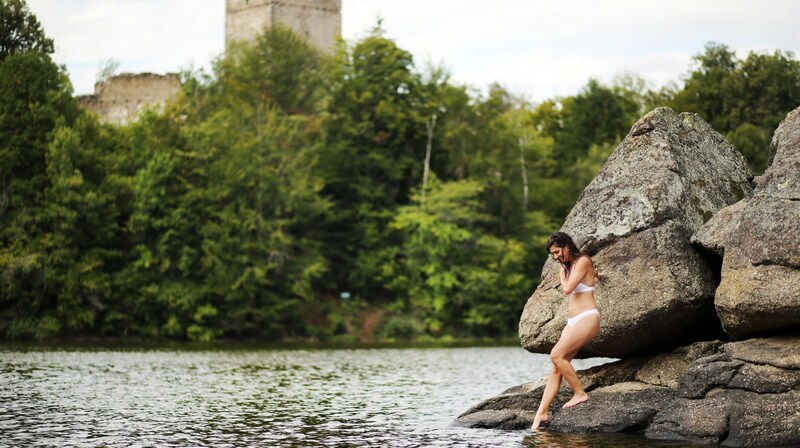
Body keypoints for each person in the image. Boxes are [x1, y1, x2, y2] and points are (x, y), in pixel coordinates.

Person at [531, 231, 601, 432]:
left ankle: (580, 393)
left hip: (587, 318)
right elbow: (592, 276)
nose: (555, 257)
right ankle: (541, 413)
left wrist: (562, 276)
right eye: (552, 254)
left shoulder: (582, 261)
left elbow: (568, 289)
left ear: (567, 246)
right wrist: (599, 275)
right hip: (573, 321)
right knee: (557, 366)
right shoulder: (573, 265)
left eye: (557, 252)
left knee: (556, 355)